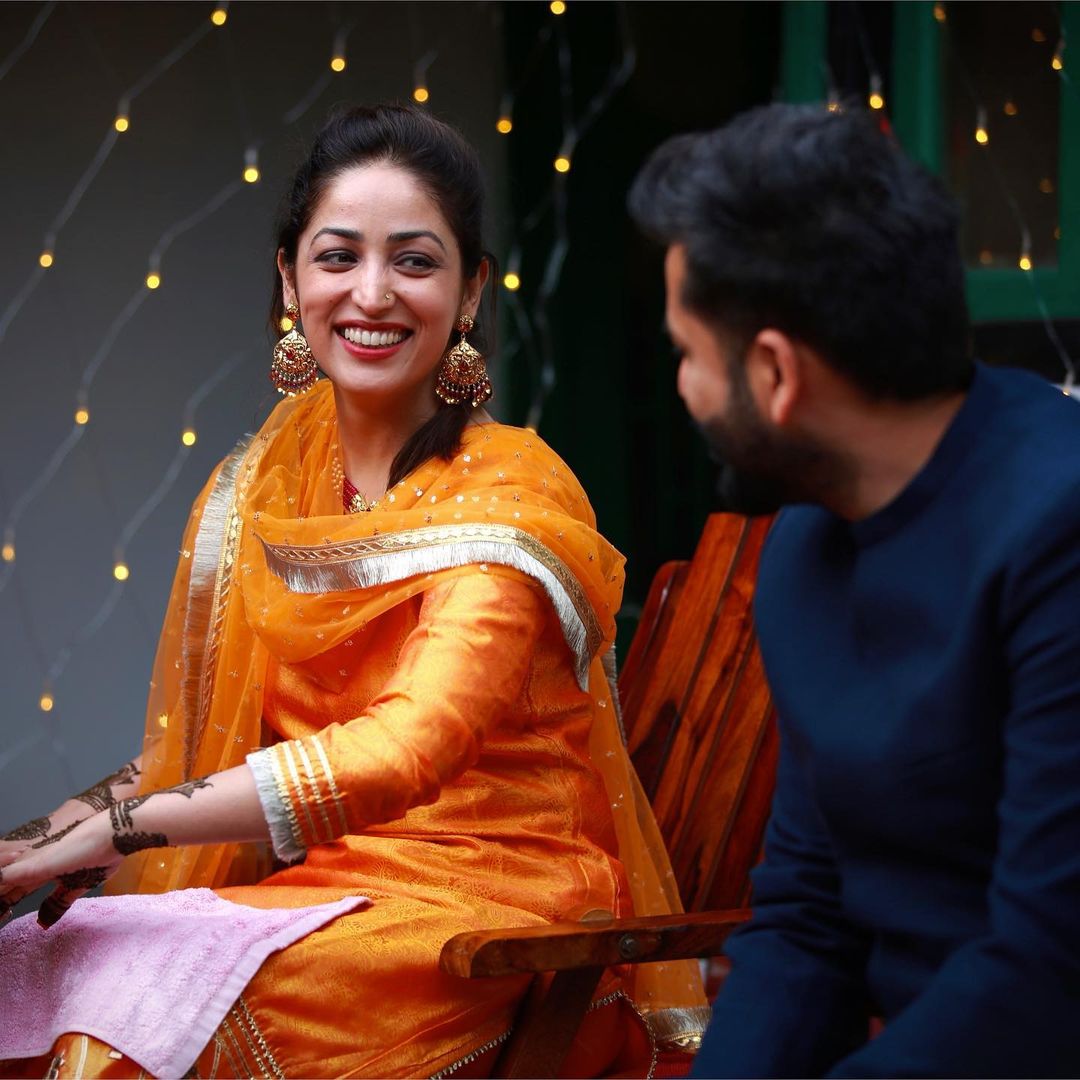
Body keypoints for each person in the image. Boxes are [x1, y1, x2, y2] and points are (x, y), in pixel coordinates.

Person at [0, 103, 706, 1079]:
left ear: (468, 295)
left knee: (141, 1013)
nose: (372, 293)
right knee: (46, 957)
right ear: (290, 279)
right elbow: (198, 746)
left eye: (414, 261)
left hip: (494, 912)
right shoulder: (261, 481)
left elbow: (401, 750)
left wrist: (115, 830)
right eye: (338, 257)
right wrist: (32, 843)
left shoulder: (512, 491)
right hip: (322, 891)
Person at [629, 103, 1080, 1078]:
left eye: (687, 354)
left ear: (775, 373)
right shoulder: (805, 548)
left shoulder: (1059, 525)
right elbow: (808, 913)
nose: (684, 390)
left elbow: (1054, 967)